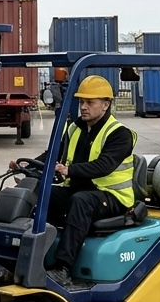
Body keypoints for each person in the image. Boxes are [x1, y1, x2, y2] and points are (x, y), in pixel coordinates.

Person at [9, 74, 136, 287]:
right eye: (81, 102)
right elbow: (54, 153)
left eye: (89, 102)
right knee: (42, 192)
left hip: (113, 198)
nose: (83, 107)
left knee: (81, 201)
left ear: (106, 104)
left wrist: (70, 170)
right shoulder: (75, 128)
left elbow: (104, 165)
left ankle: (63, 268)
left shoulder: (120, 134)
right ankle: (29, 255)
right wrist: (27, 166)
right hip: (80, 189)